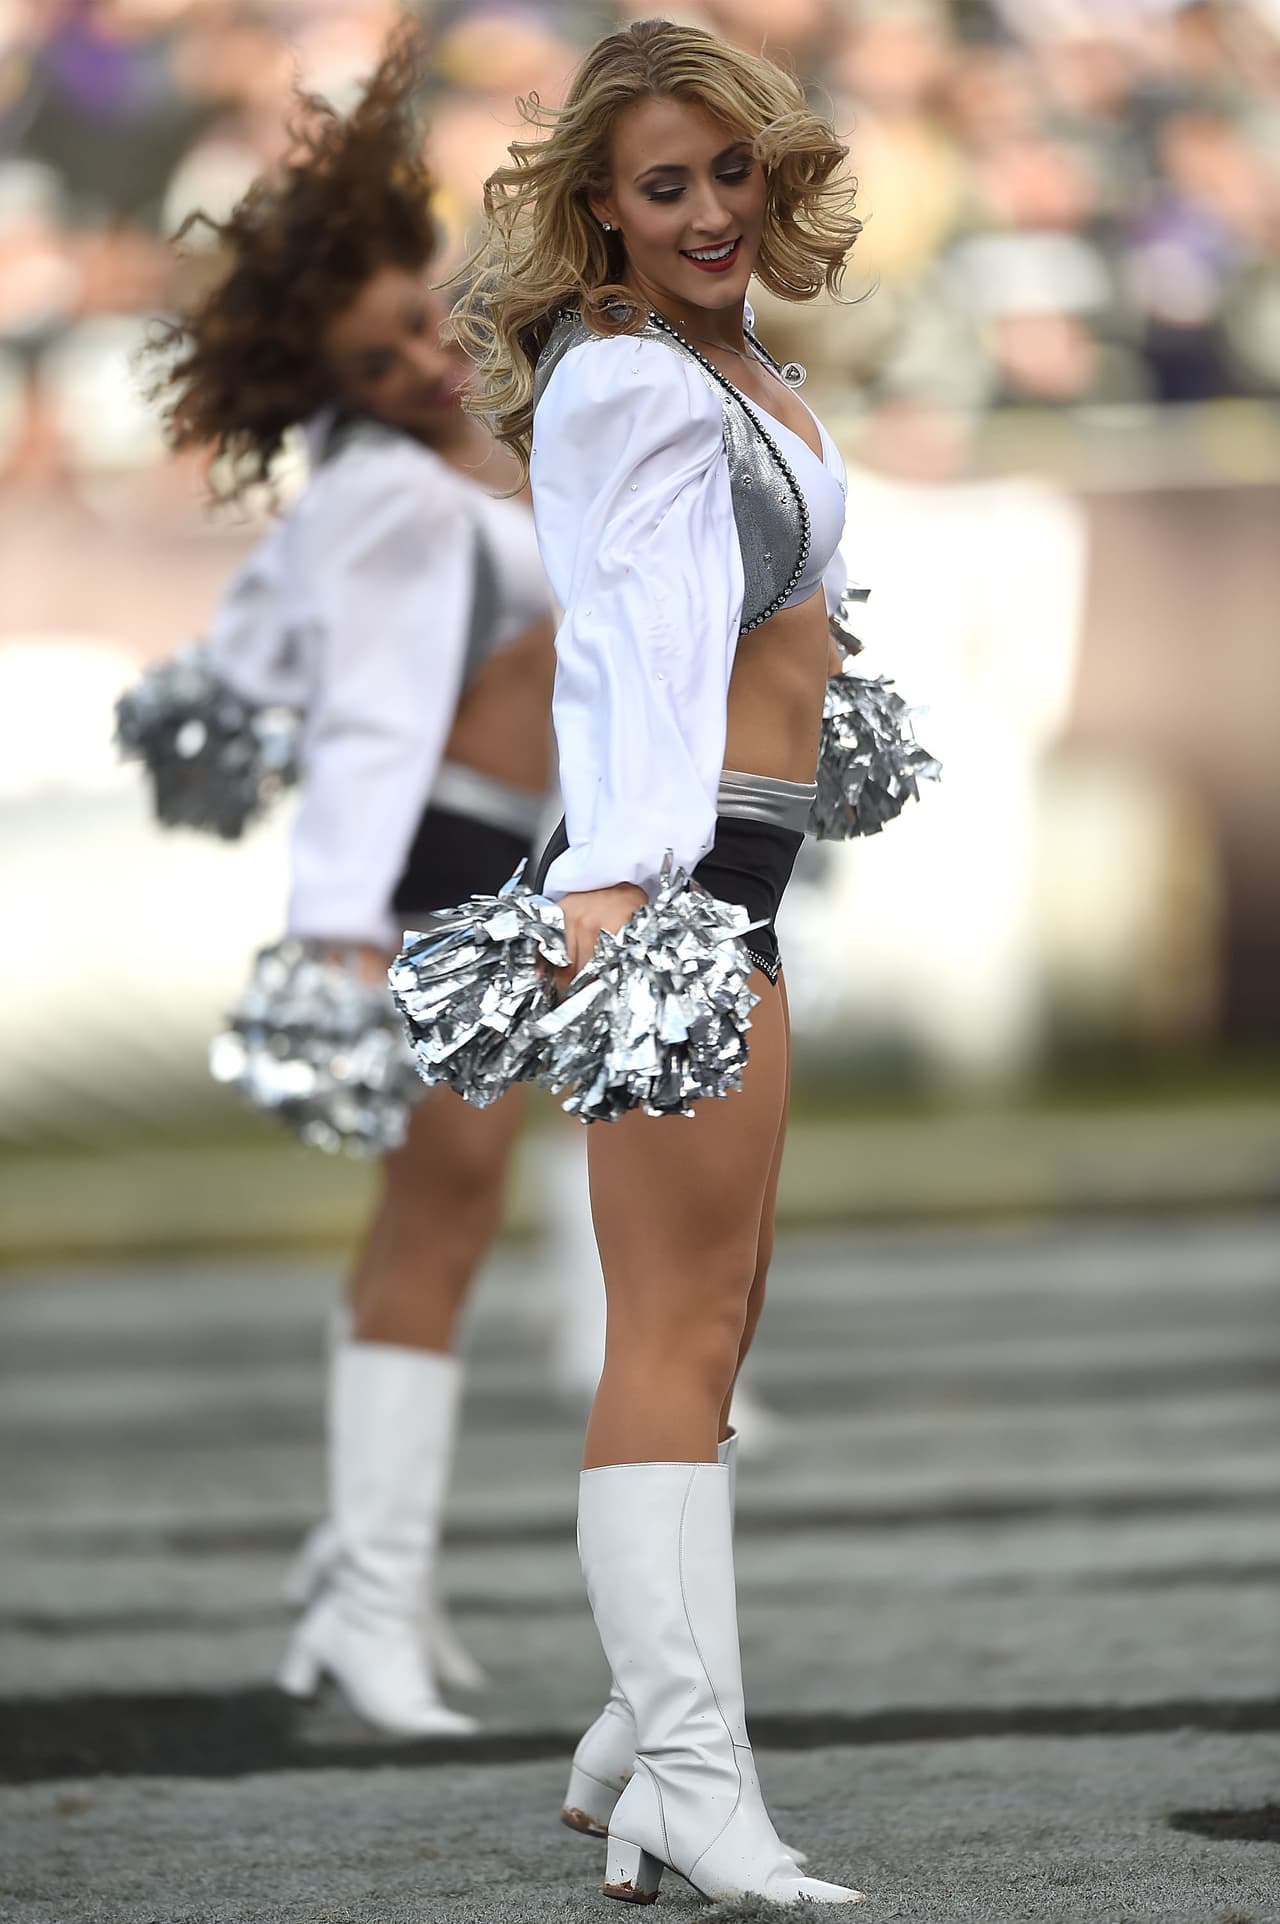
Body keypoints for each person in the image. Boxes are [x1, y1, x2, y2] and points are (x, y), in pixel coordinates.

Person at [455, 17, 867, 1903]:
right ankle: (695, 1781)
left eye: (727, 173)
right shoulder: (629, 379)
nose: (707, 211)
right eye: (662, 187)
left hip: (735, 866)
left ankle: (636, 1745)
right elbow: (623, 649)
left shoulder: (736, 359)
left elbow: (763, 620)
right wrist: (621, 895)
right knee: (676, 1327)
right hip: (673, 882)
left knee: (728, 1316)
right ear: (602, 221)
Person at [149, 33, 555, 1737]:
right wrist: (335, 939)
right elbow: (379, 729)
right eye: (374, 360)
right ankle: (368, 1600)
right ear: (328, 387)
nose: (414, 363)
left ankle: (367, 1581)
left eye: (416, 321)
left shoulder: (513, 428)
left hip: (521, 855)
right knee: (441, 1222)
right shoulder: (392, 496)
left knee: (440, 1220)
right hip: (442, 866)